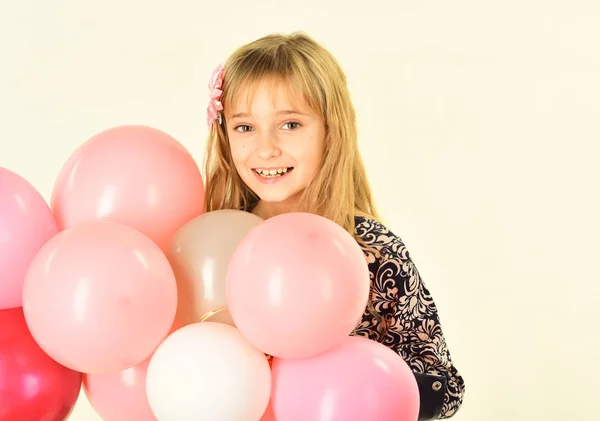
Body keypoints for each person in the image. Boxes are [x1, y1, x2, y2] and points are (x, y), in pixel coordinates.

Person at [202, 31, 465, 420]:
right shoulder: (210, 245)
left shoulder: (372, 250)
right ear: (225, 136)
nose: (265, 148)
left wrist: (363, 391)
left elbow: (444, 386)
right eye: (245, 127)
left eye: (290, 124)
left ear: (331, 130)